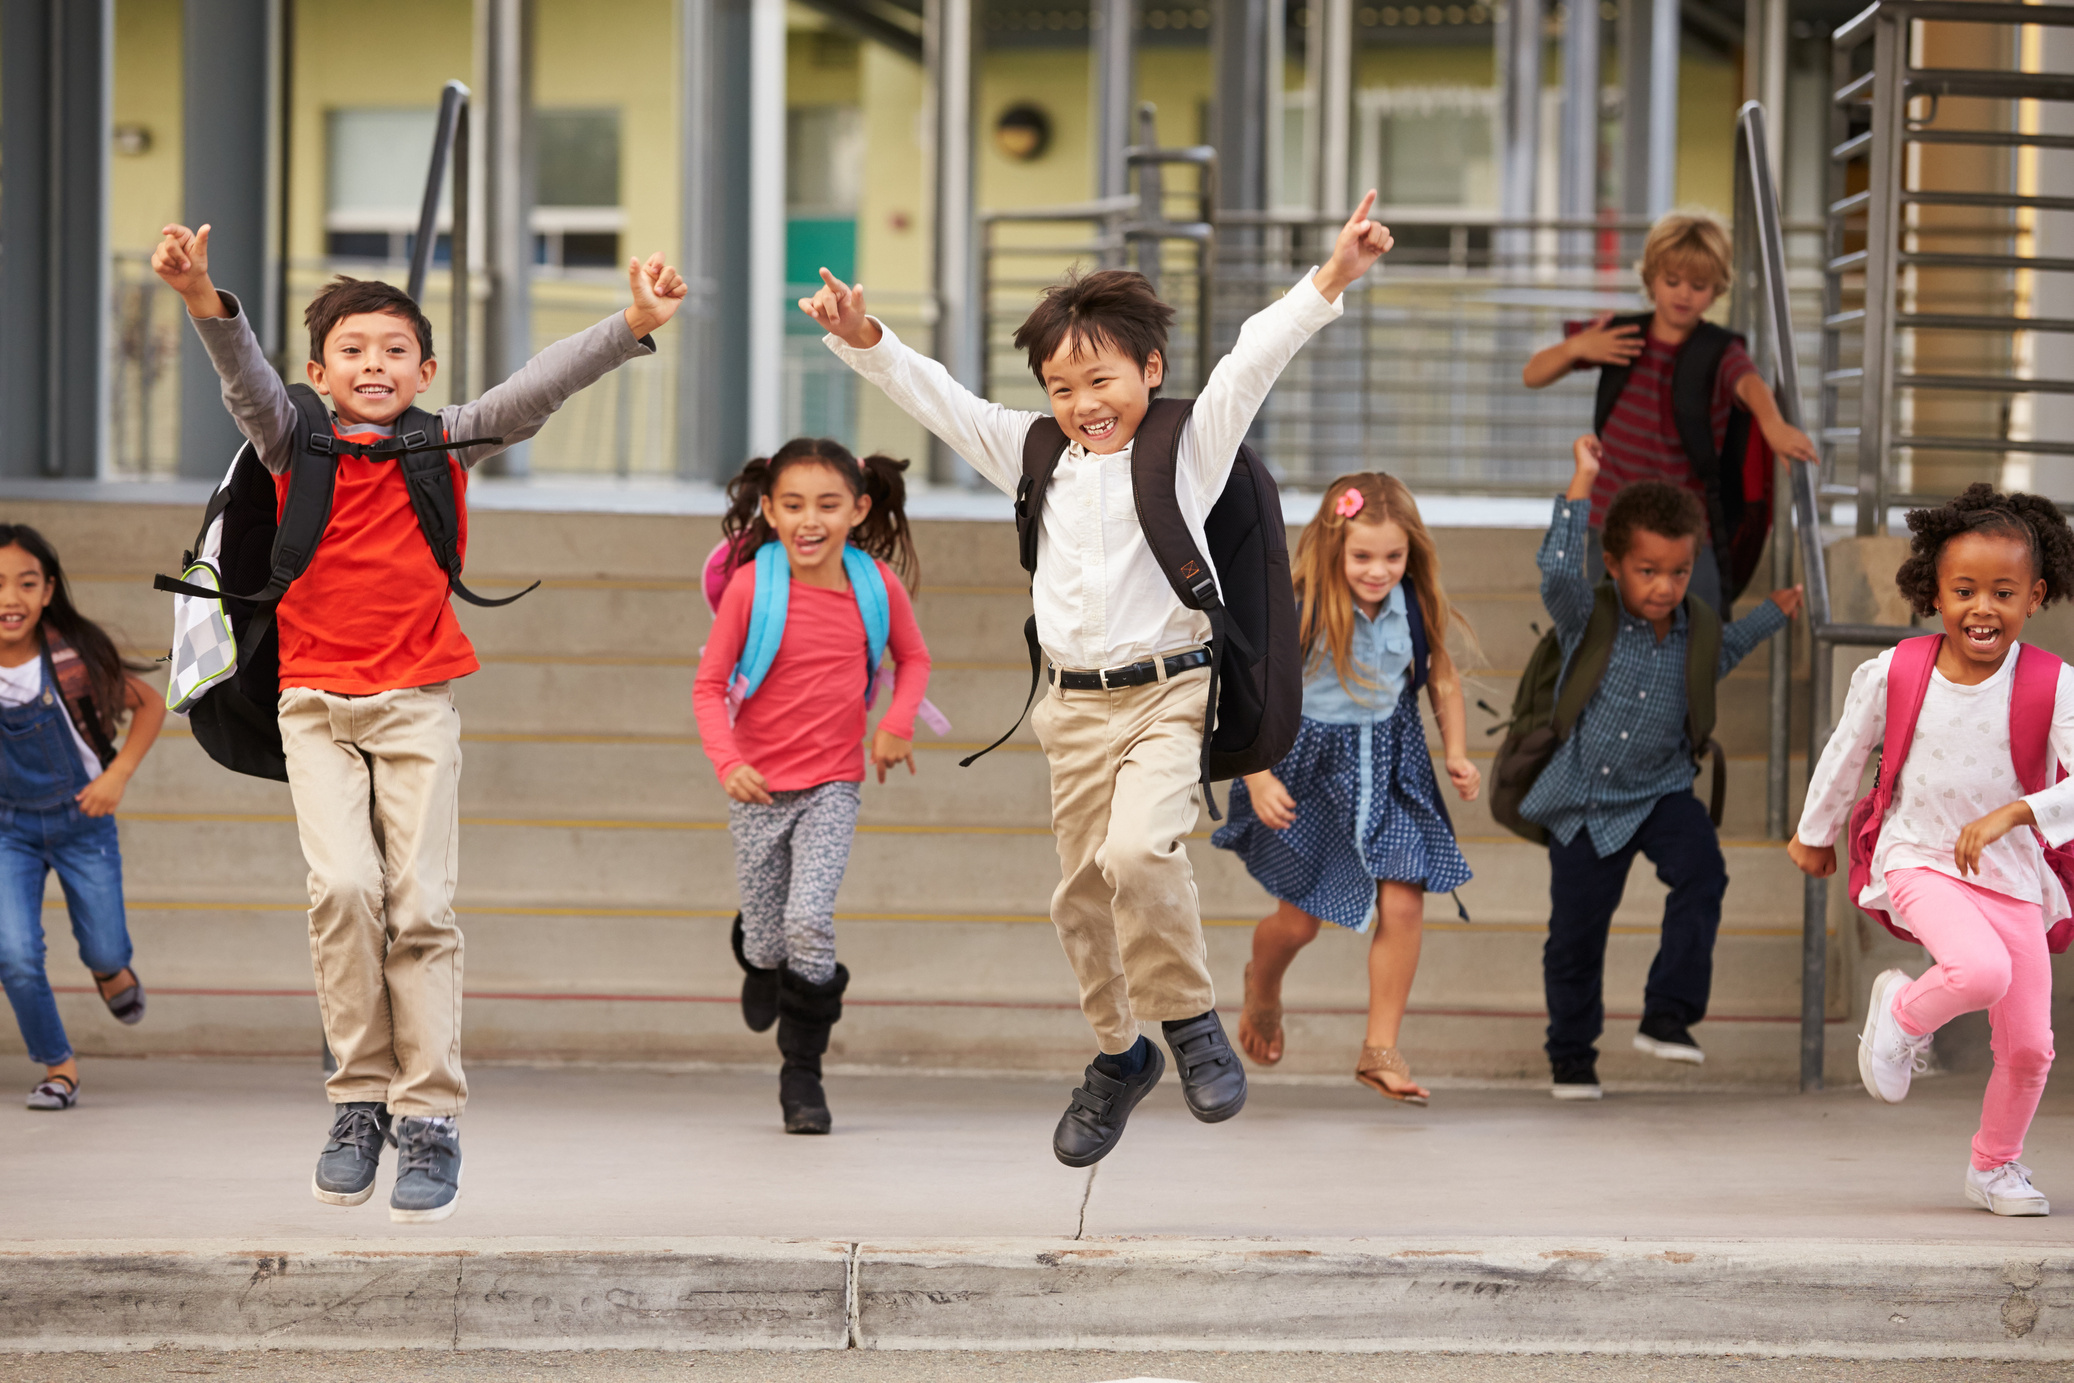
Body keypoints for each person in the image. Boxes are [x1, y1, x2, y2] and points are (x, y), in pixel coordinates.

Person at [803, 192, 1396, 1166]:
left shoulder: (1186, 448)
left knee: (1137, 857)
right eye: (1061, 385)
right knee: (1079, 898)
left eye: (1101, 379)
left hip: (1169, 697)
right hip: (1070, 711)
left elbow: (1253, 358)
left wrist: (1331, 275)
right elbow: (939, 399)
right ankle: (1120, 1055)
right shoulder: (1036, 454)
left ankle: (1192, 1022)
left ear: (1149, 371)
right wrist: (864, 337)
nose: (1084, 402)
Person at [153, 221, 686, 1222]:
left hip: (417, 704)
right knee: (345, 890)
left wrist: (631, 323)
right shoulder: (289, 437)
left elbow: (537, 387)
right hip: (311, 705)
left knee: (423, 908)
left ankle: (430, 1118)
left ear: (426, 368)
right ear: (318, 370)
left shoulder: (445, 440)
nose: (374, 365)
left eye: (396, 350)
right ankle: (358, 1099)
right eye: (352, 350)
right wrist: (201, 296)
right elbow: (245, 379)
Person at [1789, 484, 2074, 1217]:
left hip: (2011, 878)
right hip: (1918, 855)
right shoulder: (1897, 670)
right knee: (1978, 970)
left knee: (2031, 1046)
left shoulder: (2053, 684)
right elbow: (1846, 749)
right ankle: (1904, 1010)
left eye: (2004, 591)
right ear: (1934, 592)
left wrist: (2018, 811)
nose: (1984, 607)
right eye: (1965, 590)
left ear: (2034, 595)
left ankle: (1995, 1165)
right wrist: (1816, 831)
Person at [1526, 436, 1802, 1099]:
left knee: (1704, 873)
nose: (1664, 586)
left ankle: (1668, 1012)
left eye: (1678, 572)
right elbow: (1558, 574)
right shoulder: (1587, 616)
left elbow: (1726, 651)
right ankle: (1571, 1055)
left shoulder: (1695, 628)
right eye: (1648, 570)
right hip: (1587, 801)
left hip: (1662, 788)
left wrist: (1772, 612)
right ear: (1616, 564)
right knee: (1575, 937)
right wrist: (1581, 482)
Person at [1212, 473, 1478, 1103]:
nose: (1379, 570)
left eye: (1394, 556)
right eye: (1363, 556)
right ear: (1334, 548)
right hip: (1307, 771)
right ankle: (1263, 987)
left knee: (1405, 901)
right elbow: (1245, 691)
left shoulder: (1415, 603)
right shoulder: (1298, 604)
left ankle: (1379, 1048)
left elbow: (1441, 677)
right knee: (1298, 924)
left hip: (1390, 766)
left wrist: (1458, 752)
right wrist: (1257, 773)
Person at [695, 439, 931, 1136]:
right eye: (792, 504)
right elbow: (709, 687)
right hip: (757, 787)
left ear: (859, 510)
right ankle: (759, 958)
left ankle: (803, 1073)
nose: (809, 520)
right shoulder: (751, 586)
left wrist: (896, 721)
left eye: (828, 505)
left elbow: (913, 660)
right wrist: (727, 761)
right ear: (768, 510)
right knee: (769, 940)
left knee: (809, 921)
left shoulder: (875, 585)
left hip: (833, 782)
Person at [1521, 211, 1817, 616]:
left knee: (1701, 631)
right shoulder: (1617, 332)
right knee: (1596, 629)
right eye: (1672, 281)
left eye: (1698, 286)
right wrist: (1577, 348)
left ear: (1716, 291)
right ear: (1650, 280)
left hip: (1685, 528)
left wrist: (1774, 425)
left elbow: (1749, 383)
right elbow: (1532, 374)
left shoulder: (1720, 350)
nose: (1683, 294)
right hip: (1610, 517)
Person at [0, 526, 165, 1111]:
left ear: (48, 591)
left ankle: (110, 971)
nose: (10, 599)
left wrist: (116, 776)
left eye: (25, 583)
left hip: (81, 822)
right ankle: (57, 1066)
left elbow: (149, 704)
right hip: (7, 830)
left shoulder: (71, 655)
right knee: (13, 954)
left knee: (103, 949)